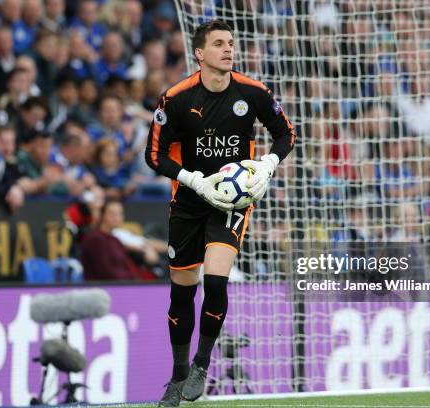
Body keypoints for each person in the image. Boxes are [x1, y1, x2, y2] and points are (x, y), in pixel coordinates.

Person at [144, 20, 295, 406]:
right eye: (218, 44)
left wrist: (267, 165)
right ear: (200, 53)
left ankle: (201, 365)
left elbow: (286, 133)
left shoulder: (253, 92)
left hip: (232, 203)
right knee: (182, 293)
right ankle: (177, 375)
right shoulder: (176, 98)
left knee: (216, 281)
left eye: (231, 43)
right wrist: (193, 180)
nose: (228, 49)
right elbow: (154, 155)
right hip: (190, 202)